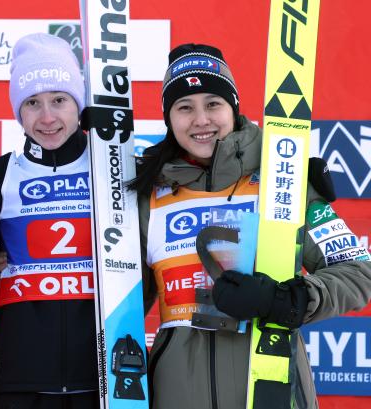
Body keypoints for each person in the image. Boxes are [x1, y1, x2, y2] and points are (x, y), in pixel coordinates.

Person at [130, 43, 371, 409]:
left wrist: (286, 300)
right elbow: (120, 303)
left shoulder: (282, 178)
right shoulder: (149, 194)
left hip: (269, 387)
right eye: (185, 107)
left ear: (233, 107)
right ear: (168, 117)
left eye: (213, 104)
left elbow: (359, 272)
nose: (201, 120)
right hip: (176, 393)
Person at [0, 33, 99, 409]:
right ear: (18, 110)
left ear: (78, 103)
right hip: (20, 378)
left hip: (102, 373)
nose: (47, 117)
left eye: (59, 100)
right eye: (32, 103)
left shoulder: (113, 169)